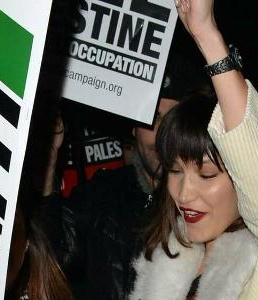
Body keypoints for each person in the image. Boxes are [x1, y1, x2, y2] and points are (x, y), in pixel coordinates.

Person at [129, 0, 258, 299]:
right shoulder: (164, 260)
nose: (184, 193)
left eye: (206, 173)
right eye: (175, 170)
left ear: (244, 175)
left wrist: (206, 35)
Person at [41, 50, 209, 299]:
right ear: (134, 125)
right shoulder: (102, 194)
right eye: (153, 119)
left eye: (172, 120)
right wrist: (49, 152)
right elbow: (53, 251)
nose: (161, 135)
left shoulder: (206, 208)